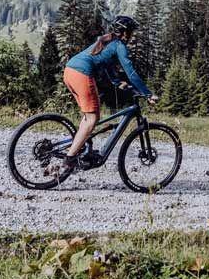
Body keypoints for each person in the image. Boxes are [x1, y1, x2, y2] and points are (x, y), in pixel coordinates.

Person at [61, 14, 158, 172]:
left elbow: (105, 64)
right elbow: (131, 72)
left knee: (87, 117)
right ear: (126, 32)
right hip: (82, 73)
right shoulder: (119, 45)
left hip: (70, 71)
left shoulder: (107, 41)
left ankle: (78, 148)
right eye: (132, 32)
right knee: (93, 119)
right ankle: (70, 159)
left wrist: (116, 82)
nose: (132, 36)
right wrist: (147, 93)